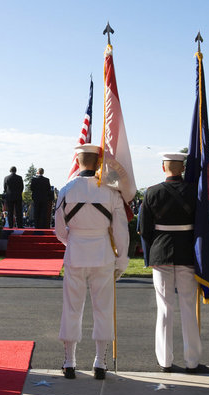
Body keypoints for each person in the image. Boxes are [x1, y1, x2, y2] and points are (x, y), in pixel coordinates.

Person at [54, 144, 129, 380]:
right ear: (98, 163)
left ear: (77, 161)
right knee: (103, 309)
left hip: (75, 254)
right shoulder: (110, 192)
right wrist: (122, 259)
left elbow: (58, 230)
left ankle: (69, 361)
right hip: (103, 255)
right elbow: (121, 231)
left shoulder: (66, 189)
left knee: (72, 308)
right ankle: (100, 362)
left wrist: (73, 241)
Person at [139, 152, 202, 373]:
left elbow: (145, 230)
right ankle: (192, 361)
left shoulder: (152, 192)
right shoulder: (196, 192)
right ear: (182, 168)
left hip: (161, 253)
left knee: (164, 308)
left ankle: (165, 360)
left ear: (162, 167)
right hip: (187, 253)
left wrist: (150, 254)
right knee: (188, 307)